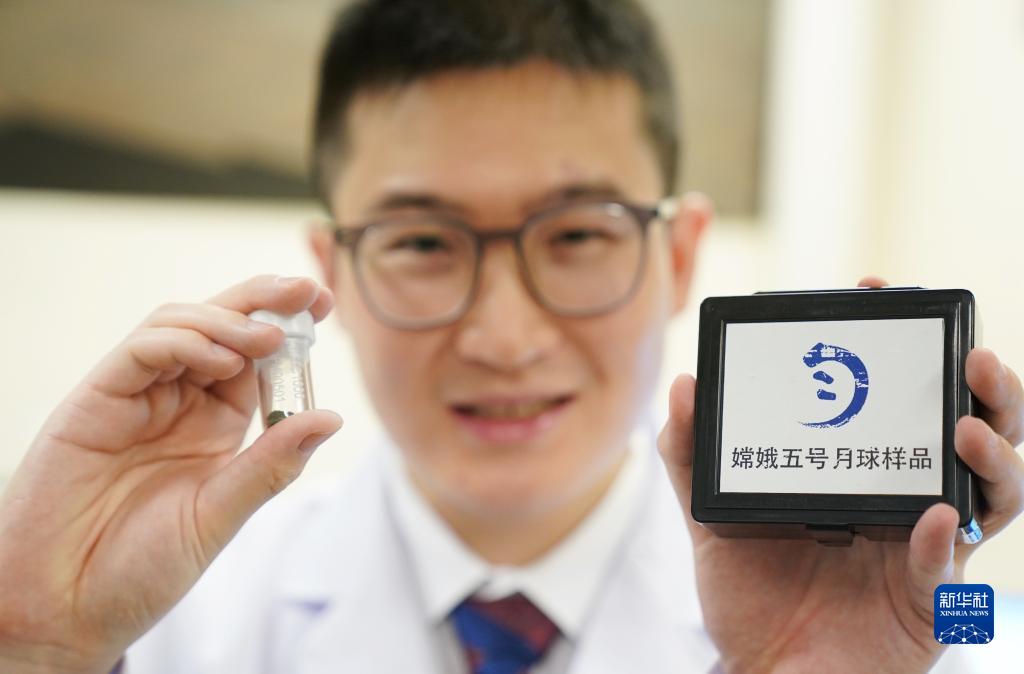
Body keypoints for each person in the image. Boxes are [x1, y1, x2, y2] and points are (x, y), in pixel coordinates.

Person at [1, 1, 1021, 672]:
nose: (502, 335)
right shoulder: (157, 624)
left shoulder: (945, 628)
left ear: (678, 258)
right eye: (421, 241)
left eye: (576, 234)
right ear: (333, 272)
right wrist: (36, 644)